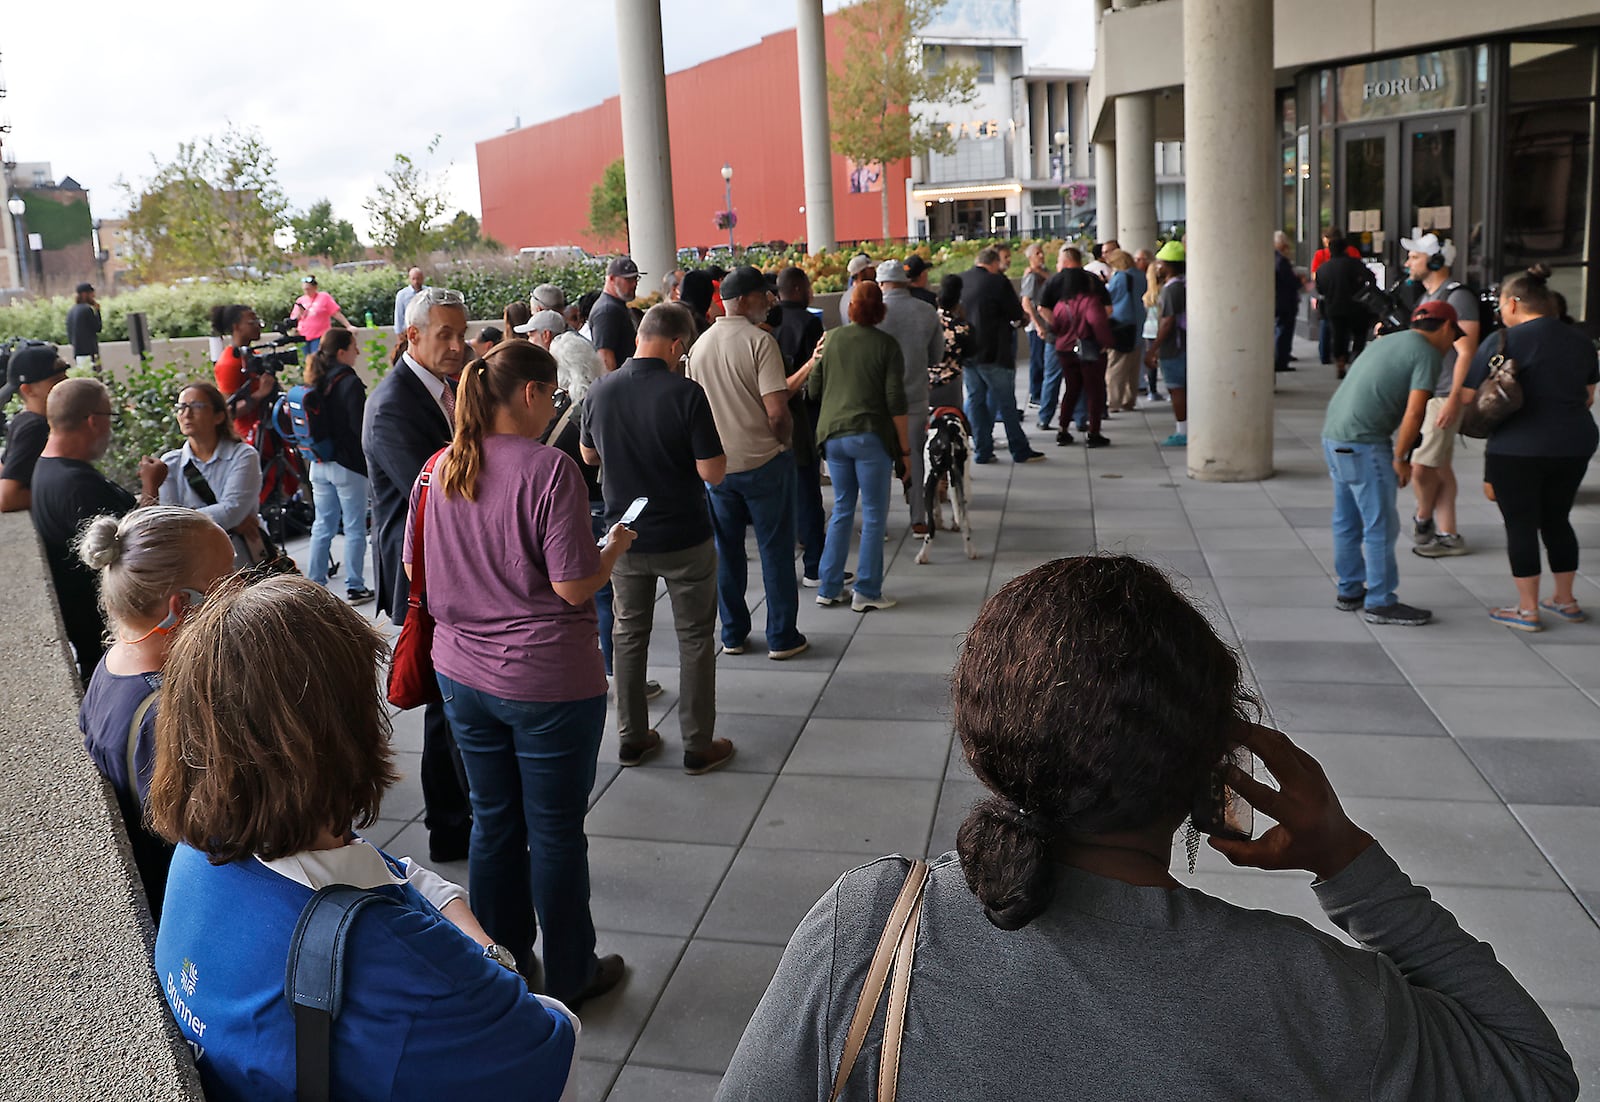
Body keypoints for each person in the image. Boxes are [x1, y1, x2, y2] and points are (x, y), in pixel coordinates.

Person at [718, 554, 1578, 1102]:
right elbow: (1534, 1072)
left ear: (988, 743)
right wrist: (1348, 863)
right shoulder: (1307, 992)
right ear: (1212, 768)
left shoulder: (877, 924)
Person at [149, 575, 581, 1101]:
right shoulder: (399, 959)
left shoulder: (196, 856)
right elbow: (552, 1044)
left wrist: (442, 901)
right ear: (347, 731)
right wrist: (495, 960)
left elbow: (376, 867)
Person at [411, 339, 630, 1009]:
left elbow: (417, 571)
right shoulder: (549, 470)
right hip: (546, 682)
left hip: (460, 676)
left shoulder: (442, 467)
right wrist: (614, 545)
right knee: (557, 831)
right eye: (552, 395)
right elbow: (571, 587)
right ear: (532, 394)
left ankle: (503, 964)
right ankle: (571, 972)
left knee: (494, 822)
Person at [583, 304, 734, 773]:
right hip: (685, 536)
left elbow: (589, 456)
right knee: (694, 639)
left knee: (628, 633)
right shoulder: (686, 394)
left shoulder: (599, 391)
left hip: (624, 537)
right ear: (674, 344)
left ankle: (631, 738)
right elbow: (713, 472)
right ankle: (697, 744)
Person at [75, 507, 234, 919]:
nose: (240, 596)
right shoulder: (168, 716)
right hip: (188, 908)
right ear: (183, 606)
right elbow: (219, 841)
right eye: (229, 583)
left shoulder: (112, 664)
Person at [363, 287, 474, 863]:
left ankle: (456, 819)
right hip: (419, 571)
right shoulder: (392, 405)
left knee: (448, 701)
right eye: (445, 337)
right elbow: (434, 491)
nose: (459, 347)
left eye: (462, 334)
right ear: (412, 337)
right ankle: (452, 825)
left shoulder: (442, 388)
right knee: (444, 701)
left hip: (440, 561)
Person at [1461, 265, 1598, 632]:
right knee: (1557, 519)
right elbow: (1587, 398)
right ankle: (1566, 601)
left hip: (1516, 447)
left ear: (1515, 303)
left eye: (1503, 303)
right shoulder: (1581, 340)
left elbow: (1470, 396)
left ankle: (1527, 610)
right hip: (1574, 442)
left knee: (1521, 524)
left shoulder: (1503, 341)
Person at [686, 265, 809, 660]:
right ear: (744, 300)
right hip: (764, 463)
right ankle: (782, 637)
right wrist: (784, 440)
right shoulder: (760, 343)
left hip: (719, 468)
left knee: (728, 552)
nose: (770, 300)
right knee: (775, 551)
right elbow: (776, 409)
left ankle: (734, 634)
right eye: (763, 294)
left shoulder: (699, 346)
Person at [1321, 302, 1462, 627]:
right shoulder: (1426, 353)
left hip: (1334, 436)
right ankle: (1381, 602)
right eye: (1454, 335)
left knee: (1347, 520)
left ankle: (1350, 590)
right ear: (1445, 328)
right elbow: (1415, 412)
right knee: (1380, 525)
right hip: (1364, 442)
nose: (1452, 343)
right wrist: (1400, 458)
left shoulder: (1390, 340)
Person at [31, 378, 166, 684]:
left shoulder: (49, 468)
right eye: (110, 417)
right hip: (109, 635)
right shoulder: (77, 485)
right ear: (93, 421)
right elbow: (133, 552)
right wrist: (151, 488)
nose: (109, 427)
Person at [807, 281, 909, 613]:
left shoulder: (832, 339)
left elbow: (813, 389)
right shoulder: (887, 345)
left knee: (841, 508)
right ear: (881, 308)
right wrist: (904, 450)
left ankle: (829, 585)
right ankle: (866, 589)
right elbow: (896, 400)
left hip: (834, 435)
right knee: (875, 514)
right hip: (870, 435)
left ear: (850, 306)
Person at [1402, 233, 1481, 560]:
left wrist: (1453, 398)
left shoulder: (1457, 297)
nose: (1408, 263)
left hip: (1443, 393)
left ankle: (1423, 520)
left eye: (1414, 257)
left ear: (1434, 261)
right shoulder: (1428, 297)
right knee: (1441, 467)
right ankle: (1449, 534)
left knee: (1421, 466)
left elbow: (1467, 349)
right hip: (1431, 391)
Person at [157, 382, 265, 572]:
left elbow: (232, 511)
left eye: (196, 406)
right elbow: (169, 522)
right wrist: (224, 520)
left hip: (241, 561)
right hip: (193, 564)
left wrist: (187, 519)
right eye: (181, 407)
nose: (186, 414)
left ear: (219, 416)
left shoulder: (243, 456)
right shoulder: (170, 463)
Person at [301, 330, 372, 602]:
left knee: (323, 525)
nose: (358, 352)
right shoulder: (349, 382)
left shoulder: (315, 378)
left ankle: (314, 585)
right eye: (354, 347)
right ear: (342, 352)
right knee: (354, 527)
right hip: (347, 466)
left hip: (318, 463)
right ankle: (355, 586)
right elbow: (359, 428)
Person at [772, 266, 831, 588]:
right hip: (801, 413)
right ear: (798, 289)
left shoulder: (768, 325)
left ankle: (796, 542)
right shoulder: (810, 322)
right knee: (809, 492)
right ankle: (815, 566)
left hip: (768, 421)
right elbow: (816, 370)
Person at [960, 246, 1045, 465]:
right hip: (995, 352)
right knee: (1006, 402)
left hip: (969, 353)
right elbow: (1016, 314)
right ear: (995, 263)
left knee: (976, 401)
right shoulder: (998, 282)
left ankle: (982, 450)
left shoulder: (961, 279)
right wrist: (1023, 320)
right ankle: (1019, 449)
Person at [877, 259, 944, 533]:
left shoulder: (874, 312)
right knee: (915, 456)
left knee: (879, 459)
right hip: (915, 396)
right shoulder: (926, 310)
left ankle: (877, 525)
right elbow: (936, 356)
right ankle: (918, 518)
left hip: (879, 400)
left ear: (882, 284)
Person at [0, 343, 69, 512]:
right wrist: (66, 494)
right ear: (28, 389)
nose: (65, 385)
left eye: (65, 377)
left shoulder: (22, 420)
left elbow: (5, 468)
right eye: (56, 381)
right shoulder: (36, 428)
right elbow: (7, 498)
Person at [1051, 270, 1115, 449]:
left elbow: (1055, 326)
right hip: (1089, 352)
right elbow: (1097, 322)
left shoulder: (1061, 303)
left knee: (1071, 390)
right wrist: (1105, 342)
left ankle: (1062, 430)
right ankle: (1093, 433)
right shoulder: (1091, 301)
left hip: (1065, 351)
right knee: (1094, 392)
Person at [1144, 241, 1189, 446]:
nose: (1158, 267)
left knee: (1176, 388)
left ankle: (1183, 432)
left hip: (1175, 347)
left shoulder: (1172, 290)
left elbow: (1167, 321)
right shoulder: (1185, 284)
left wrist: (1153, 349)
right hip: (1185, 345)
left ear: (1169, 265)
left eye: (1161, 263)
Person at [1314, 236, 1377, 380]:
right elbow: (1371, 278)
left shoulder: (1323, 269)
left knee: (1338, 336)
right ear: (1345, 249)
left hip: (1334, 307)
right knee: (1359, 335)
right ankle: (1356, 358)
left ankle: (1340, 363)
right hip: (1357, 306)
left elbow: (1320, 289)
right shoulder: (1355, 264)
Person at [210, 304, 274, 442]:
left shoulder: (254, 355)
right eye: (252, 322)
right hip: (247, 437)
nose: (258, 326)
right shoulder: (228, 363)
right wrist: (260, 394)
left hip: (266, 431)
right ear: (236, 327)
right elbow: (228, 412)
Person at [1104, 249, 1147, 411]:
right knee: (1133, 367)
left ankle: (1114, 401)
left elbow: (1110, 296)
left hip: (1121, 323)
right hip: (1137, 322)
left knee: (1116, 366)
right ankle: (1129, 400)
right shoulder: (1140, 275)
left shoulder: (1121, 277)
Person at [1311, 229, 1361, 365]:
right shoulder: (1352, 254)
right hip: (1351, 298)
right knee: (1347, 329)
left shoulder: (1321, 256)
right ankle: (1344, 355)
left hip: (1330, 297)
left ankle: (1327, 356)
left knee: (1328, 325)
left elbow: (1316, 277)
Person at [588, 256, 643, 373]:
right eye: (628, 280)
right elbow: (605, 357)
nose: (634, 284)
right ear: (611, 279)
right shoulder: (607, 310)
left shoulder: (614, 306)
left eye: (636, 278)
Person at [930, 274, 970, 411]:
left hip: (926, 381)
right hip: (950, 382)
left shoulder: (927, 322)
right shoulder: (960, 328)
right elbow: (971, 350)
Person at [289, 275, 358, 355]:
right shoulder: (301, 300)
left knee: (317, 358)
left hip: (319, 335)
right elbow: (293, 318)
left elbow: (335, 313)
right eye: (305, 289)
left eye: (309, 289)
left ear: (315, 287)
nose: (307, 291)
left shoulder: (324, 297)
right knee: (305, 361)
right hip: (302, 336)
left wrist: (348, 326)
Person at [1019, 243, 1050, 409]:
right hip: (1037, 325)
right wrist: (1037, 325)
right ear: (1030, 257)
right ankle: (1036, 394)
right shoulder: (1031, 277)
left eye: (1042, 252)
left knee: (1043, 359)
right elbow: (1026, 302)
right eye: (1037, 253)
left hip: (1045, 322)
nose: (1041, 256)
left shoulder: (1043, 273)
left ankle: (1041, 393)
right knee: (1037, 359)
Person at [1138, 250, 1165, 401]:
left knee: (1151, 360)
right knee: (1165, 359)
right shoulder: (1164, 292)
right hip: (1161, 329)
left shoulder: (1147, 295)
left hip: (1148, 330)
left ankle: (1152, 390)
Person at [1274, 231, 1302, 374]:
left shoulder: (1273, 258)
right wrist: (1299, 281)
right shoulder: (1281, 260)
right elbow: (1290, 281)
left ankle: (1282, 357)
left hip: (1279, 300)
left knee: (1280, 329)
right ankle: (1280, 360)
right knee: (1284, 330)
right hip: (1285, 301)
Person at [65, 283, 102, 367]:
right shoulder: (87, 309)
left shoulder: (72, 310)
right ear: (85, 294)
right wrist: (97, 311)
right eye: (92, 293)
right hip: (90, 352)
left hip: (78, 351)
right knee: (93, 377)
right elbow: (98, 327)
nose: (94, 296)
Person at [393, 266, 426, 336]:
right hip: (408, 331)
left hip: (425, 330)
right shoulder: (402, 295)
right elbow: (399, 314)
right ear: (409, 279)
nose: (416, 282)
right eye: (413, 279)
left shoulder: (428, 292)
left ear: (423, 279)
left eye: (418, 278)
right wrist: (398, 332)